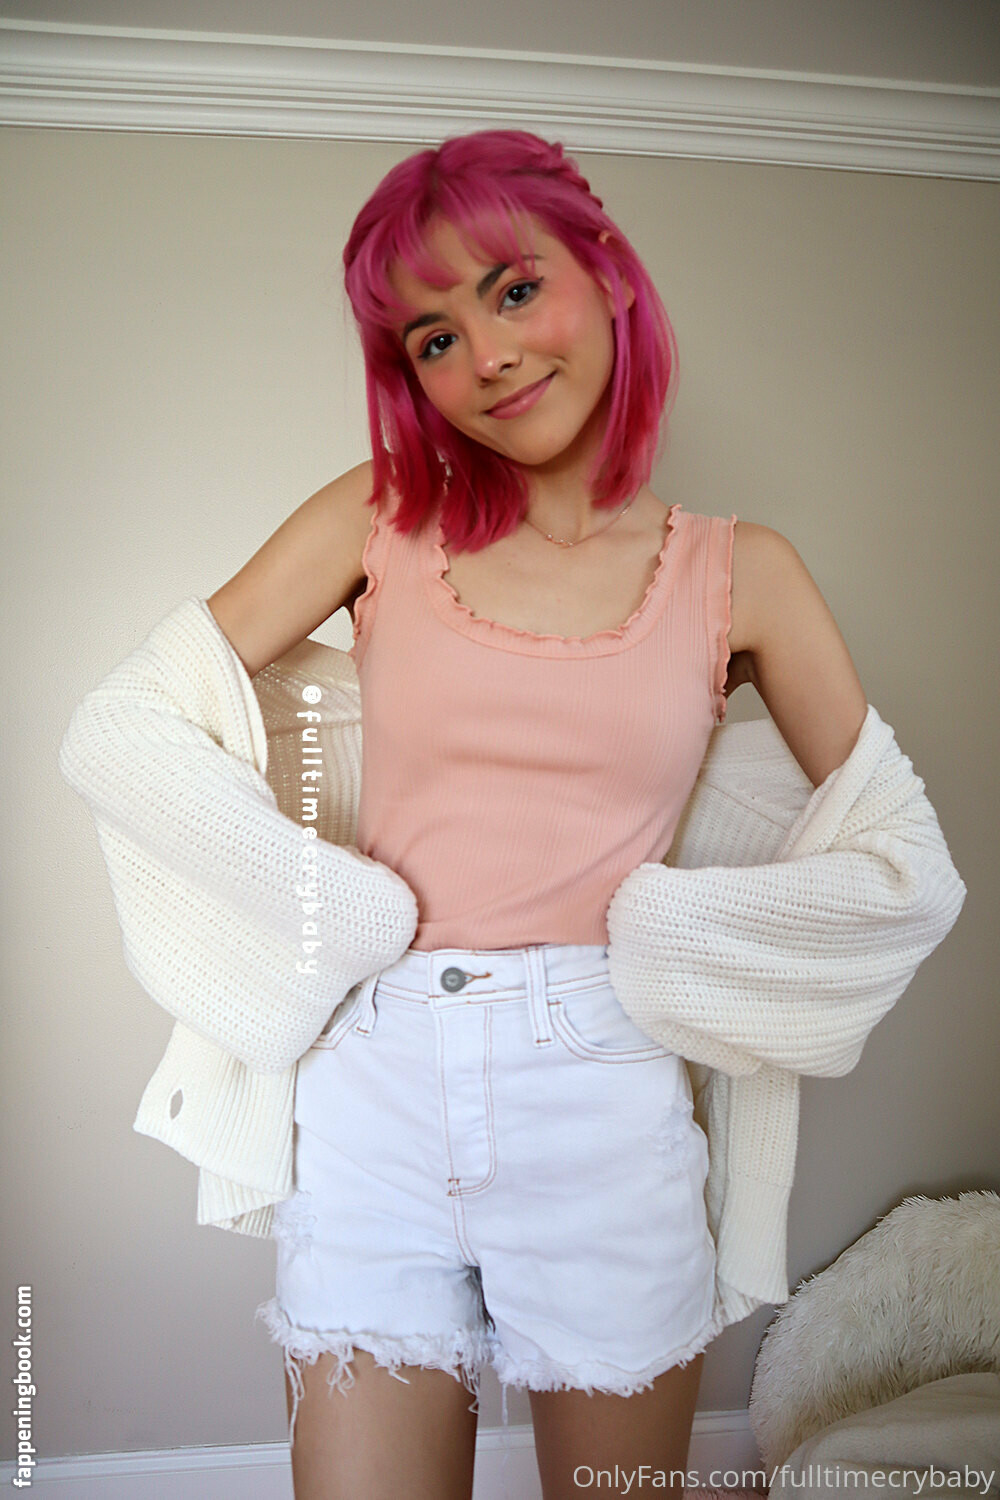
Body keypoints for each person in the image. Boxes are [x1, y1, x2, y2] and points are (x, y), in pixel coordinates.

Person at [59, 129, 963, 1500]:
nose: (484, 354)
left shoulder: (743, 574)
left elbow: (907, 871)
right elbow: (127, 724)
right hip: (371, 1084)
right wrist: (330, 909)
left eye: (514, 291)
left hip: (602, 1094)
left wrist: (665, 939)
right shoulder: (380, 517)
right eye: (433, 337)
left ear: (609, 276)